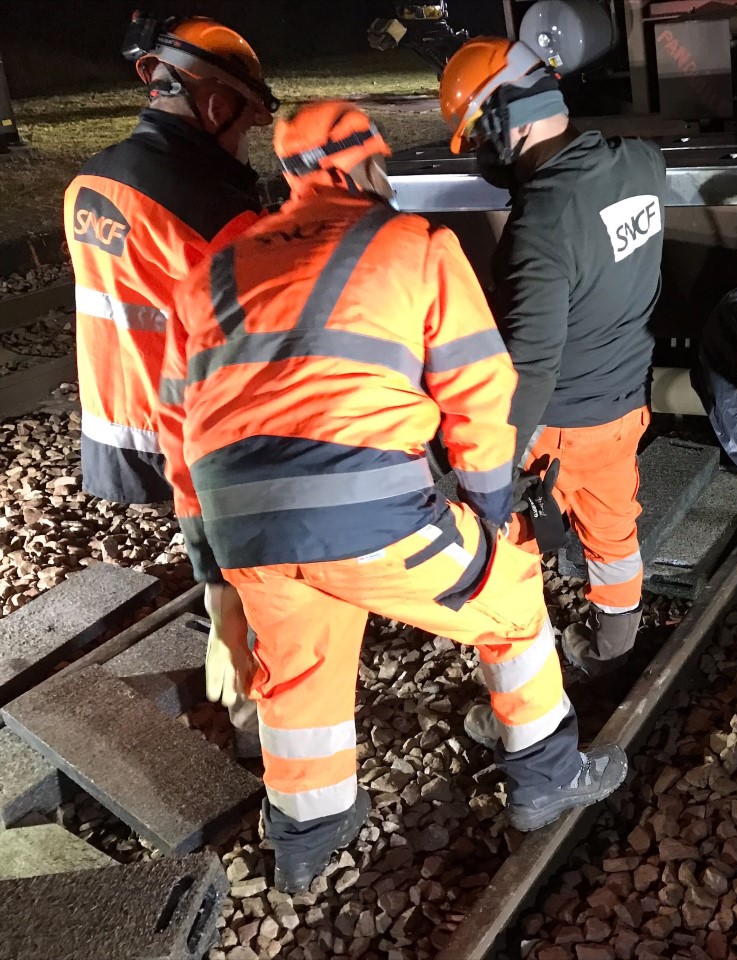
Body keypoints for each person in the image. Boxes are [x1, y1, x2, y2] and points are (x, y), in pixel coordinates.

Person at [157, 100, 626, 894]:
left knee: (298, 668)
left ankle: (309, 833)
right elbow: (482, 390)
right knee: (511, 600)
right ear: (370, 164)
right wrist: (489, 511)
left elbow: (177, 429)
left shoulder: (215, 271)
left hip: (245, 530)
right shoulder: (414, 244)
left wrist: (213, 570)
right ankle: (546, 775)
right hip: (370, 510)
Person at [64, 13, 277, 754]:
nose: (247, 139)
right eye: (247, 122)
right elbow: (245, 343)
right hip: (192, 423)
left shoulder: (89, 179)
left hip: (116, 415)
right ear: (217, 107)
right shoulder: (212, 210)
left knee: (215, 553)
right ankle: (263, 722)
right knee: (244, 566)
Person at [438, 39, 667, 698]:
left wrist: (495, 469)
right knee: (613, 533)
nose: (483, 151)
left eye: (481, 132)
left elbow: (531, 364)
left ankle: (527, 688)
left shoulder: (540, 225)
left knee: (510, 549)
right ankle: (613, 647)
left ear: (510, 117)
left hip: (562, 423)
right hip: (625, 402)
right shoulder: (641, 165)